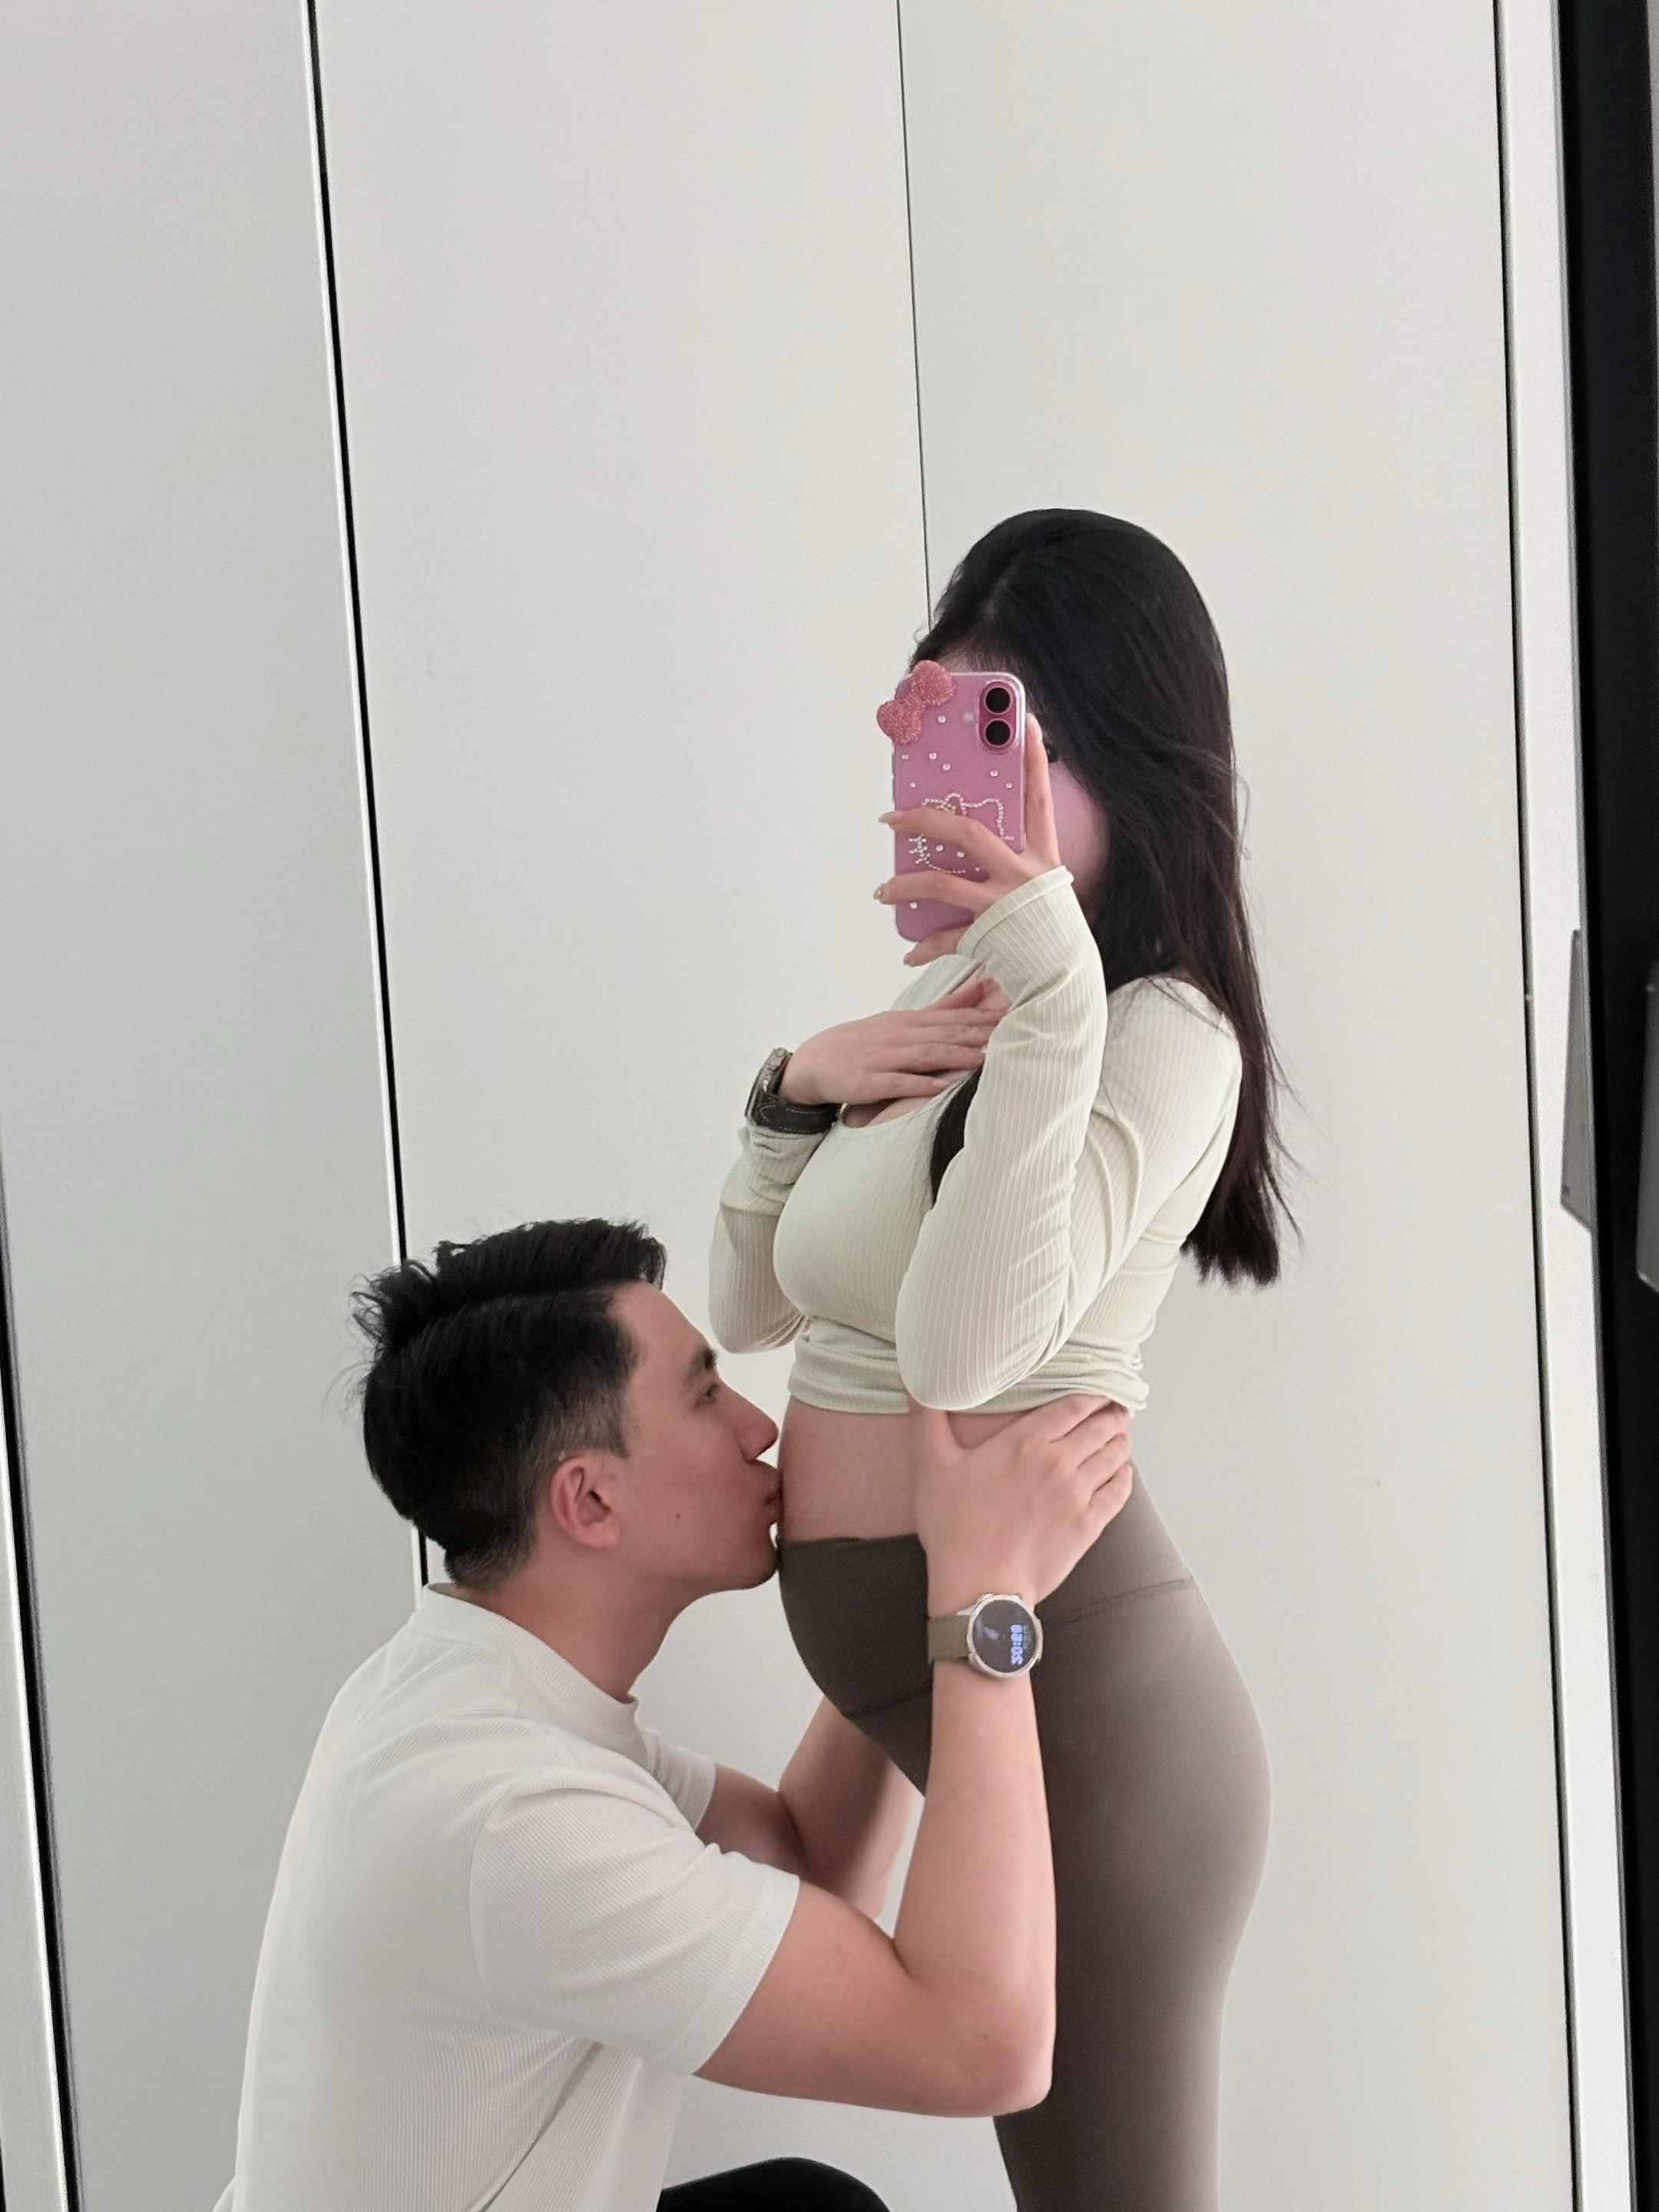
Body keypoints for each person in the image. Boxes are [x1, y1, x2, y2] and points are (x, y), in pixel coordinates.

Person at [711, 510, 1295, 2211]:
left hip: (1099, 1734)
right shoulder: (968, 995)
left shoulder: (1164, 1034)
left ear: (1130, 761)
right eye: (950, 732)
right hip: (980, 1696)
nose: (964, 796)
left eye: (1010, 744)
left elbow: (968, 1357)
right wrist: (792, 1094)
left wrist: (1049, 986)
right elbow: (753, 1301)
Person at [211, 1219, 1136, 2212]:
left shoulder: (467, 1690)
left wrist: (905, 1573)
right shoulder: (518, 1819)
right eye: (704, 1395)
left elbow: (809, 1861)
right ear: (590, 1502)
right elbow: (981, 2049)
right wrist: (985, 1599)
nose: (758, 1427)